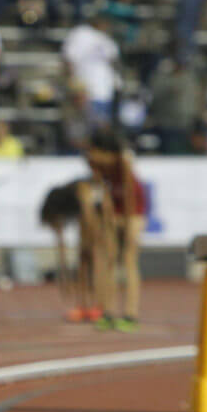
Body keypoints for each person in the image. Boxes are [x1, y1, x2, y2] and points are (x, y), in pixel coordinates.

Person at [85, 127, 145, 332]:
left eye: (95, 150)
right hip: (113, 210)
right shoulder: (94, 161)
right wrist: (107, 215)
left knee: (128, 259)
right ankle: (107, 312)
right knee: (107, 259)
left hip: (133, 211)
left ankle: (131, 315)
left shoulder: (123, 161)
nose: (91, 155)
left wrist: (127, 225)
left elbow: (130, 195)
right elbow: (101, 189)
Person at [39, 178, 111, 323]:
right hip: (89, 212)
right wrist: (64, 276)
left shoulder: (82, 190)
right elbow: (61, 244)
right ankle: (83, 306)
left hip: (101, 215)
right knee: (84, 259)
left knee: (97, 259)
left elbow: (91, 217)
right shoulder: (62, 204)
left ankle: (101, 307)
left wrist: (92, 243)